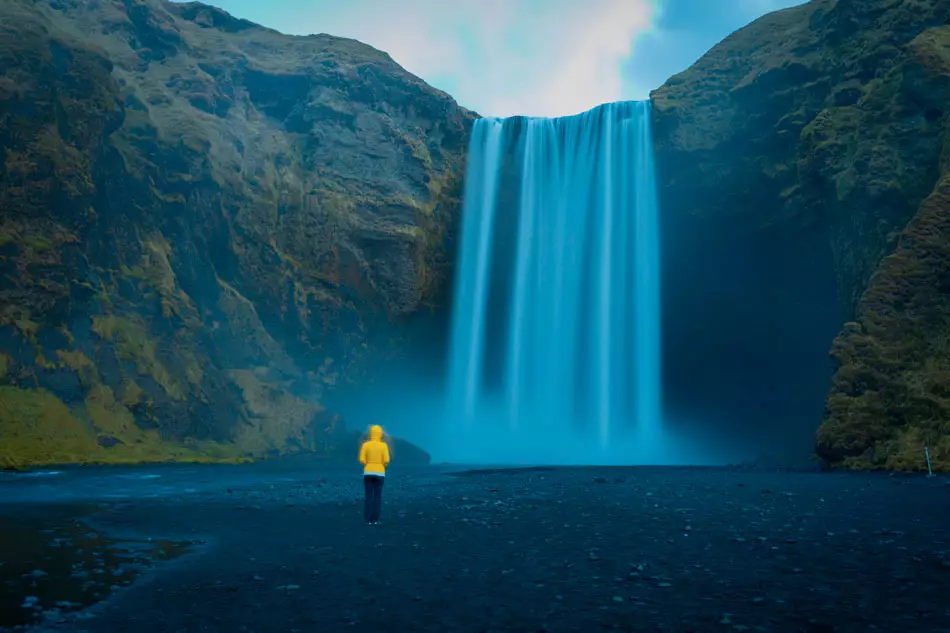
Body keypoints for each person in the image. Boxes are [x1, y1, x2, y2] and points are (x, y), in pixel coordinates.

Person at [358, 425, 390, 525]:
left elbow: (361, 459)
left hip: (368, 472)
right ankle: (375, 520)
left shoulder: (365, 445)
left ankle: (367, 520)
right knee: (377, 497)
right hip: (380, 473)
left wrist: (368, 464)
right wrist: (382, 466)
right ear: (380, 434)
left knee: (368, 497)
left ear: (371, 434)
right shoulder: (383, 445)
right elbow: (386, 460)